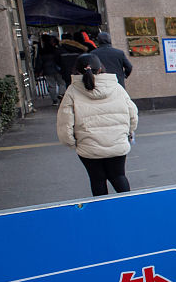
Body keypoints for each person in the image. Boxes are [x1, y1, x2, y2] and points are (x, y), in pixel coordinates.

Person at [55, 53, 139, 197]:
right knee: (118, 176)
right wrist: (129, 132)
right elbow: (132, 113)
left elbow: (65, 121)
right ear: (100, 68)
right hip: (117, 143)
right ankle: (128, 206)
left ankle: (102, 209)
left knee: (97, 179)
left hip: (88, 146)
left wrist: (71, 142)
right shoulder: (116, 87)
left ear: (77, 70)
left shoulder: (72, 91)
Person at [35, 34, 67, 105]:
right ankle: (61, 95)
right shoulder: (57, 50)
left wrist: (38, 71)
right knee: (61, 83)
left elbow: (39, 62)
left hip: (47, 70)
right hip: (58, 69)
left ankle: (54, 100)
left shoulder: (42, 51)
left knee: (51, 85)